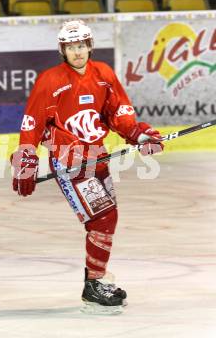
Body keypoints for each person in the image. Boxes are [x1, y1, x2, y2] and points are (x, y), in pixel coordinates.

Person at [10, 20, 163, 314]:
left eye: (81, 45)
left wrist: (138, 135)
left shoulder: (103, 74)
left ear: (89, 46)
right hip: (69, 160)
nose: (77, 52)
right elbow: (32, 124)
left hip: (97, 156)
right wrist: (26, 163)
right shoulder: (49, 80)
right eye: (70, 47)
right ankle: (93, 285)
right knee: (102, 219)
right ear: (62, 50)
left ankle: (95, 281)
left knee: (107, 218)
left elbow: (120, 113)